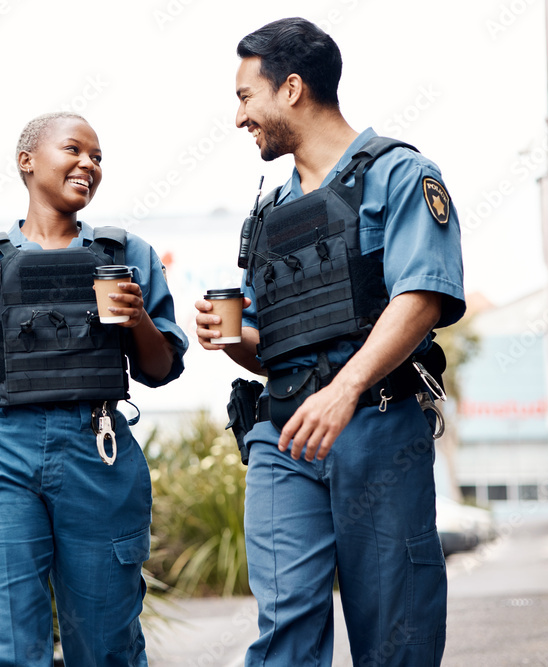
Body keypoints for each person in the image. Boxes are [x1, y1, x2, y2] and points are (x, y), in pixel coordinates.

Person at [194, 18, 465, 667]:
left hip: (376, 423)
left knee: (395, 629)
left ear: (291, 88)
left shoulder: (400, 174)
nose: (239, 118)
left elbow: (421, 297)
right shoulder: (268, 214)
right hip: (284, 432)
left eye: (244, 97)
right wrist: (228, 337)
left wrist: (345, 390)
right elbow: (271, 347)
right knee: (284, 625)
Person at [0, 111, 188, 667]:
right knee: (7, 654)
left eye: (97, 158)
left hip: (96, 452)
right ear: (27, 161)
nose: (88, 165)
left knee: (107, 647)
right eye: (74, 150)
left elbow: (160, 367)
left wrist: (136, 318)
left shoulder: (126, 255)